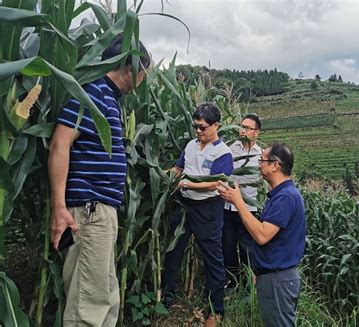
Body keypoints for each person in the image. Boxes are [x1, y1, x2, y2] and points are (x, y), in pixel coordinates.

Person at [48, 34, 150, 326]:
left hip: (101, 212)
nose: (143, 81)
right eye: (143, 73)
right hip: (88, 213)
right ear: (131, 69)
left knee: (106, 299)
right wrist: (59, 208)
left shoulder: (109, 98)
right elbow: (60, 144)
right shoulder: (92, 93)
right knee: (87, 307)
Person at [217, 142, 306, 327]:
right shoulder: (281, 194)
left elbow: (262, 235)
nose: (259, 164)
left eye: (262, 160)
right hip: (272, 276)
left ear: (275, 165)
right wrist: (260, 271)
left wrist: (238, 202)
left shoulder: (285, 197)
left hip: (278, 280)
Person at [161, 102, 233, 327]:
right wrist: (164, 176)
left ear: (216, 126)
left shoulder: (223, 153)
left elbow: (216, 183)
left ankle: (216, 308)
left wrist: (186, 184)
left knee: (213, 259)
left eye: (203, 127)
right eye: (196, 127)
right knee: (173, 250)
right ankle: (166, 295)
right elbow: (178, 168)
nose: (199, 131)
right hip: (185, 205)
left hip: (208, 209)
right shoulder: (191, 145)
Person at [222, 114, 262, 289]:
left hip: (248, 208)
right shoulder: (229, 148)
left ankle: (247, 287)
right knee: (227, 247)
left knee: (247, 248)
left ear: (257, 133)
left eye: (248, 128)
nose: (243, 130)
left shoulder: (261, 155)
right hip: (227, 206)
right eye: (242, 126)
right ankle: (232, 283)